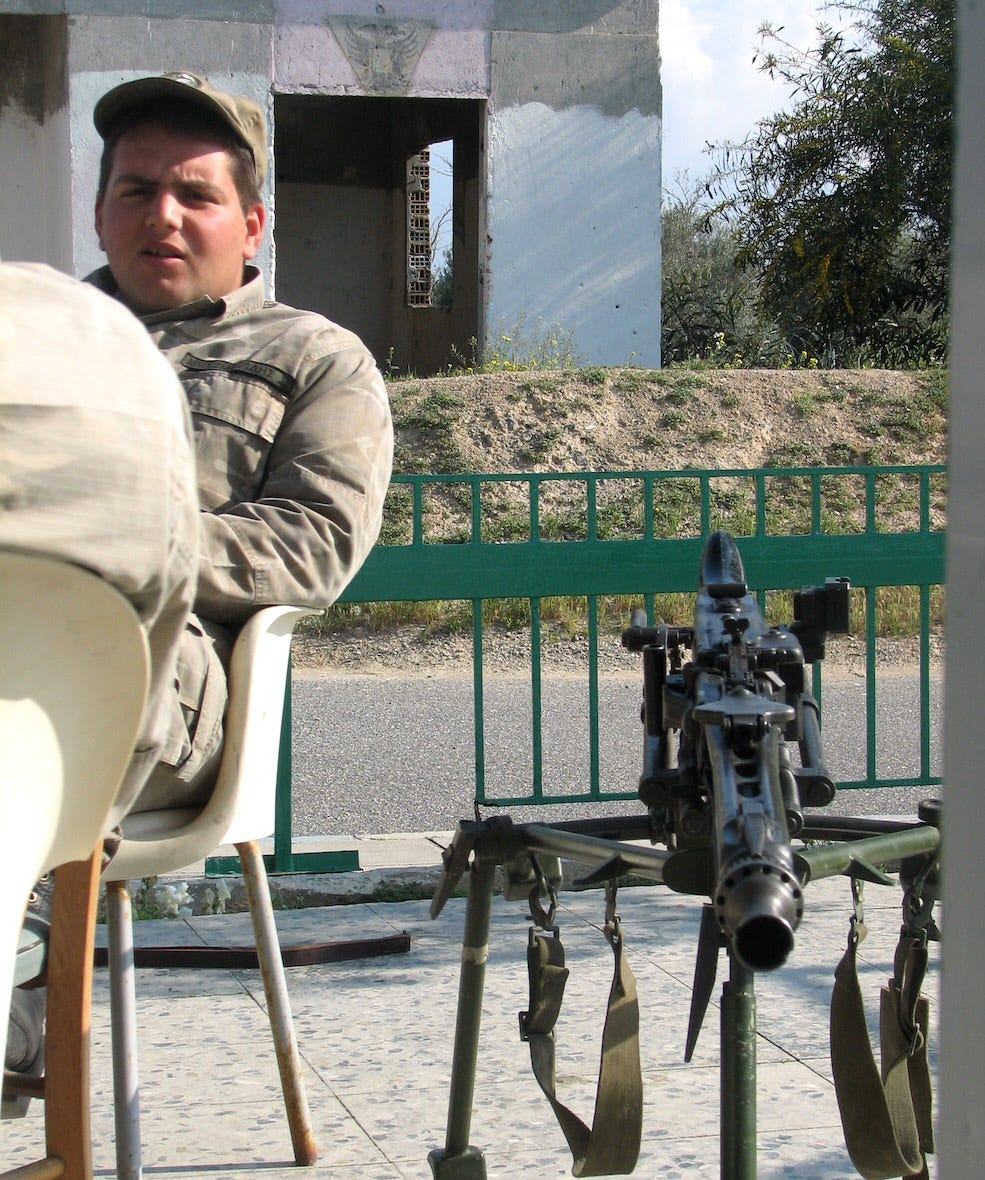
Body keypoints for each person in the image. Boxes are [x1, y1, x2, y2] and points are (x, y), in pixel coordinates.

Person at [3, 70, 393, 1087]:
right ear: (98, 211)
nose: (161, 215)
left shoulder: (313, 359)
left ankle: (20, 955)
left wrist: (132, 545)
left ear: (251, 223)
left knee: (101, 648)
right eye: (135, 190)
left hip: (168, 682)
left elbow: (312, 545)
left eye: (195, 193)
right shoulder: (33, 338)